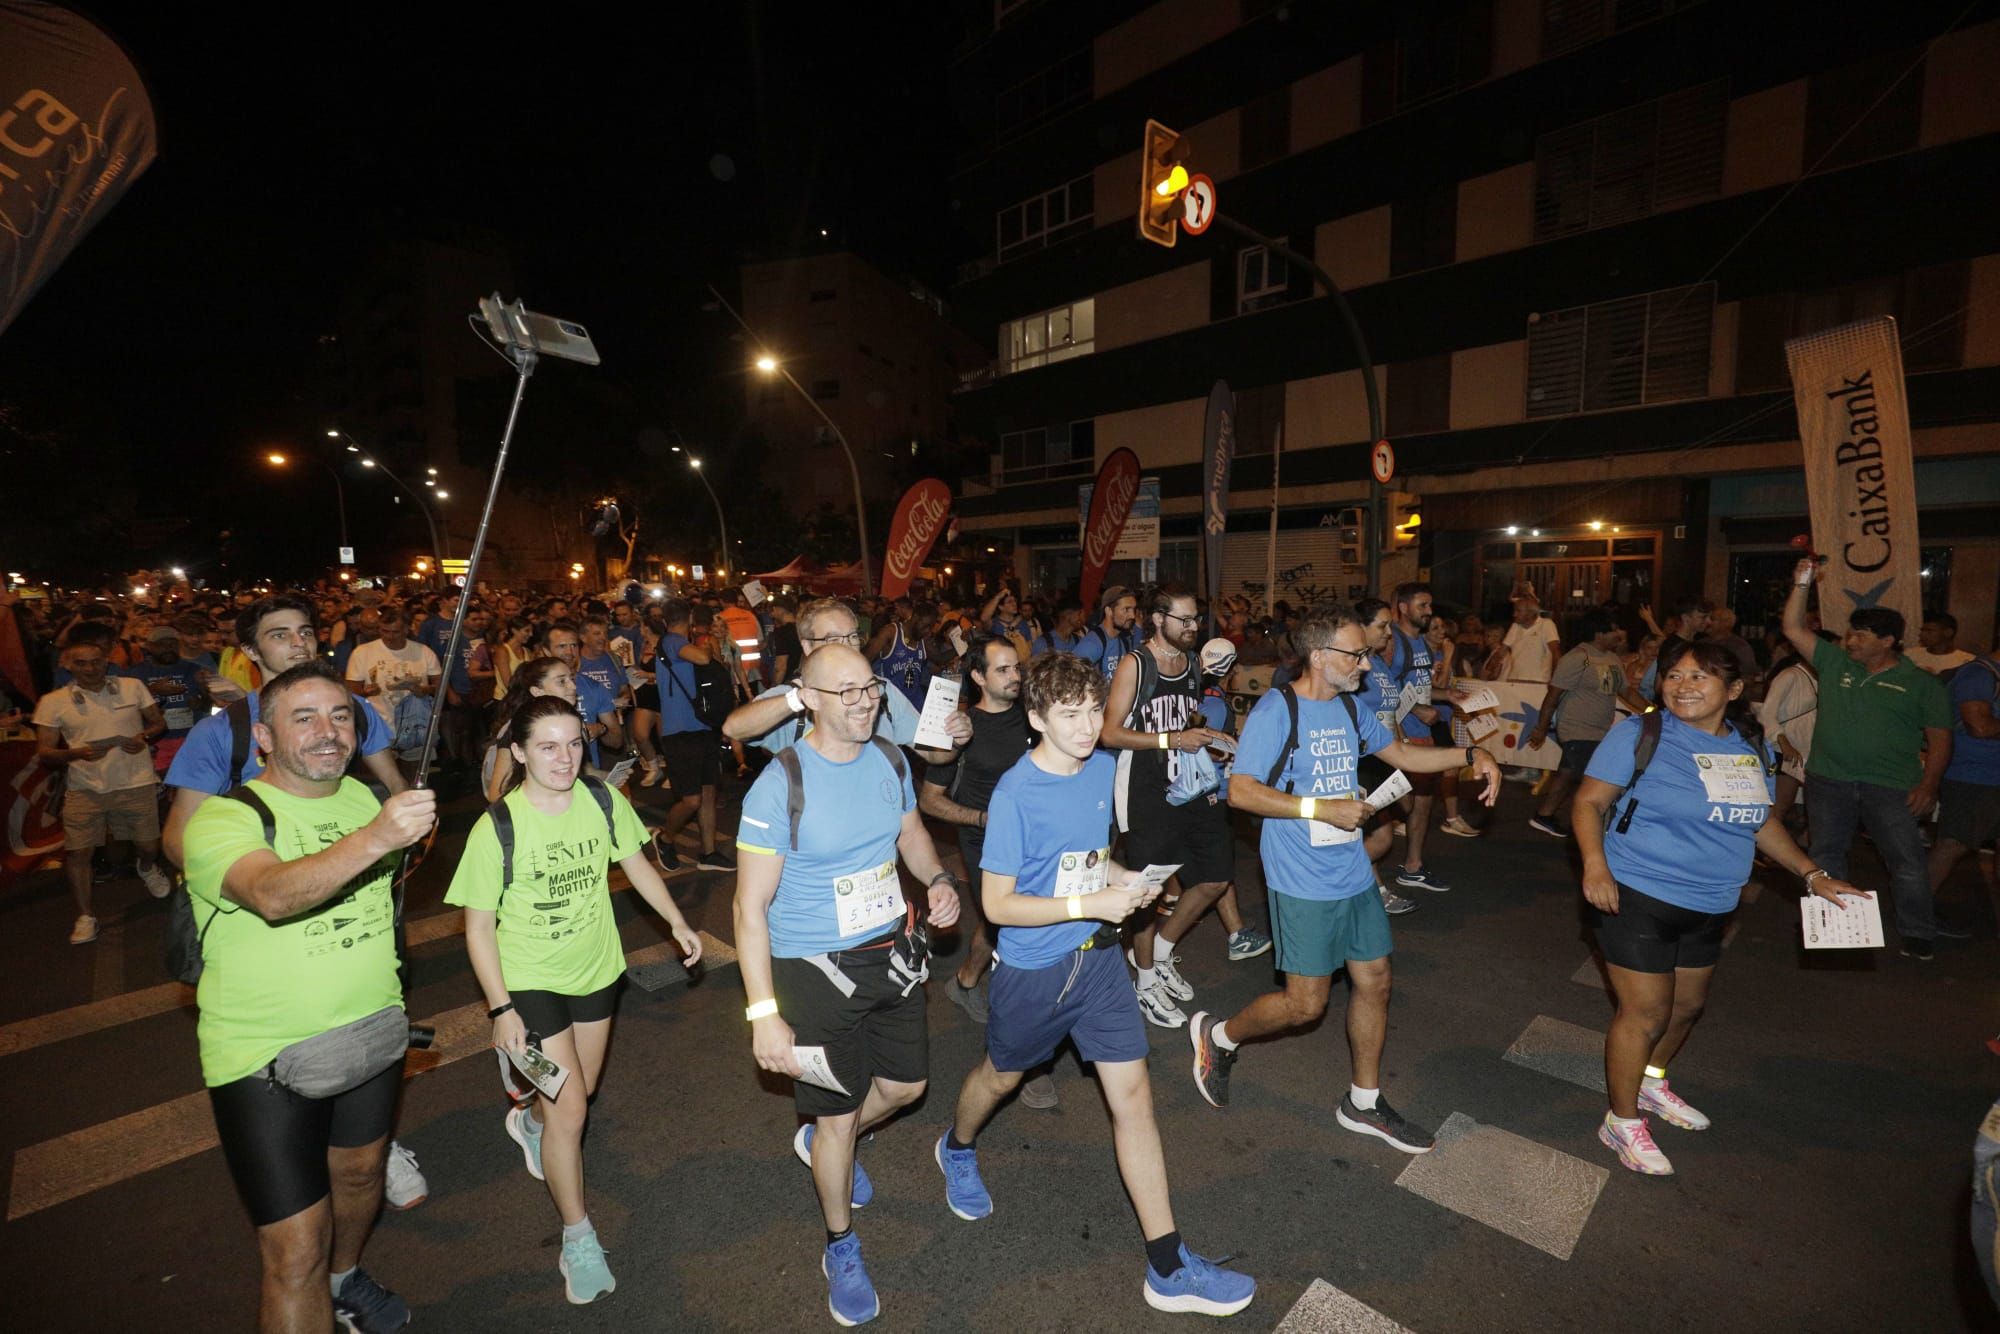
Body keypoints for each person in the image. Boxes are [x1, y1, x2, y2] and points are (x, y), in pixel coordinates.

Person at [935, 652, 1256, 1318]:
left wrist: (1125, 882)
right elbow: (996, 906)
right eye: (1069, 715)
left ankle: (1168, 1265)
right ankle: (957, 1147)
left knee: (1133, 1098)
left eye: (1092, 712)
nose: (1086, 728)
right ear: (1036, 719)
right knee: (1000, 1077)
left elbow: (1087, 858)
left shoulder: (1103, 768)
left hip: (1101, 964)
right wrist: (1091, 905)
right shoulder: (1016, 794)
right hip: (1033, 971)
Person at [181, 662, 438, 1331]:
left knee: (360, 1177)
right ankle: (318, 1283)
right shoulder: (221, 820)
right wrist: (381, 836)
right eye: (305, 718)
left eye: (341, 716)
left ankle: (346, 1277)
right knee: (293, 1253)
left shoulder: (361, 800)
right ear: (263, 738)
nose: (328, 733)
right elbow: (271, 894)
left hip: (374, 1033)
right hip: (265, 1058)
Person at [1190, 606, 1500, 1152]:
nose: (1367, 661)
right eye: (1355, 653)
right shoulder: (1276, 710)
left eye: (1366, 651)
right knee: (1305, 1006)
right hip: (1300, 877)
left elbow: (1402, 753)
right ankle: (1218, 1037)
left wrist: (1472, 753)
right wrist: (1319, 808)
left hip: (1352, 871)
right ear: (1319, 656)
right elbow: (1240, 791)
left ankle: (1364, 1101)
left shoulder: (1352, 707)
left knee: (1375, 979)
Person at [732, 646, 963, 1327]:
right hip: (814, 970)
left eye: (871, 689)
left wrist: (941, 879)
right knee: (836, 1118)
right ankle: (841, 1244)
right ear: (808, 697)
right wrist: (765, 1015)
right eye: (848, 692)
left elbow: (912, 835)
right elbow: (748, 910)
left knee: (908, 1088)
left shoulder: (891, 759)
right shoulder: (779, 784)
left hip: (890, 955)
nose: (866, 702)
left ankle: (830, 1144)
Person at [1571, 640, 1860, 1175]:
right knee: (1646, 1011)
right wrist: (1594, 865)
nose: (1683, 686)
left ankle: (1653, 1083)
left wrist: (1812, 874)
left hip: (1711, 901)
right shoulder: (1640, 734)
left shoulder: (1750, 745)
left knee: (1685, 1008)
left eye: (1700, 677)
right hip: (1637, 891)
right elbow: (1589, 801)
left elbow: (1761, 820)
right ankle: (1622, 1120)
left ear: (1733, 689)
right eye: (1674, 675)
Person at [449, 698, 702, 1304]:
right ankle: (577, 1235)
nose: (564, 759)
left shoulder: (600, 799)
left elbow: (635, 863)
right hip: (529, 978)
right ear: (519, 753)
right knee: (573, 1112)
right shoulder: (498, 827)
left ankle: (528, 1120)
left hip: (595, 969)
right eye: (547, 746)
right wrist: (501, 1008)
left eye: (572, 744)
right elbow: (478, 929)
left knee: (575, 1093)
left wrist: (676, 922)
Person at [915, 635, 1063, 1110]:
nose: (1014, 677)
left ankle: (963, 982)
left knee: (999, 928)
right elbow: (930, 800)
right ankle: (1026, 1062)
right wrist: (982, 819)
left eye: (1016, 668)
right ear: (977, 677)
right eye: (1002, 670)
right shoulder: (962, 728)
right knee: (1023, 943)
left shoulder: (1033, 715)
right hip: (987, 845)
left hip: (1039, 838)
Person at [1781, 560, 1953, 959]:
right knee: (1825, 856)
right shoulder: (1836, 664)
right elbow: (1792, 628)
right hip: (1828, 780)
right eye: (1849, 634)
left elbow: (1941, 741)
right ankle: (1834, 930)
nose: (1850, 641)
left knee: (1906, 861)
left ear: (1888, 640)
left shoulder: (1922, 685)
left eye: (1860, 635)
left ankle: (1917, 932)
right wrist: (1802, 581)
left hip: (1891, 787)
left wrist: (1929, 785)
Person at [1101, 586, 1238, 1028]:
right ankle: (1143, 982)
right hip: (1144, 791)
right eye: (1185, 620)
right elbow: (1110, 734)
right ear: (1158, 619)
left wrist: (1213, 739)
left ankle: (1160, 953)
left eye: (1197, 619)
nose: (1194, 627)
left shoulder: (1193, 663)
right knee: (1147, 891)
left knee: (1216, 875)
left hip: (1190, 785)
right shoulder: (1135, 665)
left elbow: (1184, 720)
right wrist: (1172, 740)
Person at [35, 637, 172, 942]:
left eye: (96, 661)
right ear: (67, 665)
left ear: (107, 661)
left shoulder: (132, 686)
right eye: (80, 663)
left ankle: (147, 867)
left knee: (149, 845)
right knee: (79, 852)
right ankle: (85, 916)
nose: (90, 669)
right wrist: (75, 754)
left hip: (135, 781)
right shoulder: (53, 701)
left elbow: (158, 723)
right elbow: (45, 752)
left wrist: (144, 737)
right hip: (85, 787)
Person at [722, 597, 968, 762]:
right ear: (807, 646)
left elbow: (934, 754)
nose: (847, 646)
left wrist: (956, 740)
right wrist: (798, 699)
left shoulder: (883, 692)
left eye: (852, 637)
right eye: (833, 639)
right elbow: (734, 728)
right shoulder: (794, 699)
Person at [1526, 609, 1652, 838]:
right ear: (1599, 633)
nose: (1619, 633)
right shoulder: (1577, 658)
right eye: (1614, 629)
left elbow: (1626, 692)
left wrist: (1652, 712)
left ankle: (1544, 815)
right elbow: (1552, 696)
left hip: (1600, 731)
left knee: (1567, 773)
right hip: (1577, 729)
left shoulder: (1612, 659)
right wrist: (1541, 728)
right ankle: (1592, 827)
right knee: (1595, 780)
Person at [653, 599, 733, 872]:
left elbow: (717, 668)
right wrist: (705, 645)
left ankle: (708, 854)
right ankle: (665, 838)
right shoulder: (672, 641)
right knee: (691, 800)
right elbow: (703, 658)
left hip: (702, 727)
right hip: (680, 732)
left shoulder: (680, 642)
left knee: (708, 794)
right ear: (687, 619)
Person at [1927, 642, 1998, 924]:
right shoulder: (1979, 675)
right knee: (1953, 844)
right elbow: (1979, 726)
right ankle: (1914, 912)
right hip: (1973, 777)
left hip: (1990, 776)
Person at [539, 620, 625, 772]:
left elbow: (617, 740)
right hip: (547, 778)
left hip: (587, 776)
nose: (569, 652)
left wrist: (601, 729)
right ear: (546, 651)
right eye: (562, 646)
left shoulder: (593, 686)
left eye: (574, 645)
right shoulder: (535, 688)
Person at [344, 608, 441, 739]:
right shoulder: (362, 652)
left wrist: (423, 690)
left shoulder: (424, 652)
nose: (389, 637)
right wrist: (365, 692)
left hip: (416, 727)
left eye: (395, 632)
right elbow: (351, 689)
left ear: (406, 629)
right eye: (385, 631)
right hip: (379, 728)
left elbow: (440, 686)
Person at [128, 624, 210, 775]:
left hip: (189, 739)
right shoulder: (135, 673)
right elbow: (126, 708)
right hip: (153, 741)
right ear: (150, 647)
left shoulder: (194, 669)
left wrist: (202, 698)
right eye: (161, 645)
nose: (167, 648)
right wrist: (152, 690)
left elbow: (208, 706)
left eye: (172, 644)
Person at [1075, 585, 1139, 683]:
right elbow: (1069, 680)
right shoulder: (1091, 644)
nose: (1133, 615)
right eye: (1126, 609)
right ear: (1109, 611)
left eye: (1133, 610)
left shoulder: (1124, 639)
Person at [1908, 612, 1975, 677]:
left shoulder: (1968, 661)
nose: (1922, 635)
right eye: (1922, 630)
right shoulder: (1910, 655)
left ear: (1948, 632)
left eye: (1929, 631)